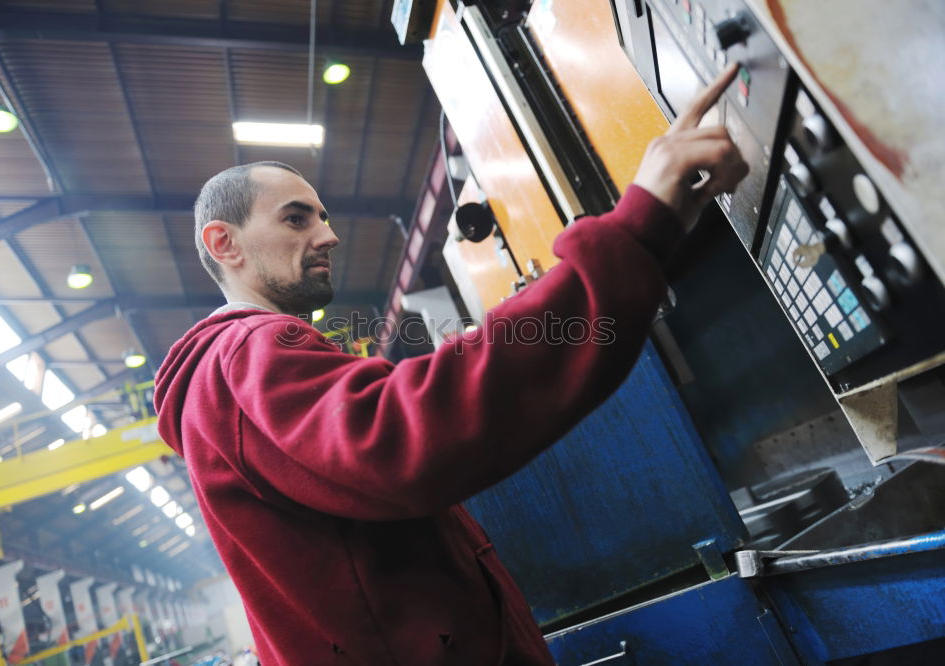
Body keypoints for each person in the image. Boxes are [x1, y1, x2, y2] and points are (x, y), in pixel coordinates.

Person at [154, 65, 748, 665]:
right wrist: (636, 229)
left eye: (323, 216)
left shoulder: (223, 384)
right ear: (223, 244)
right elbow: (408, 434)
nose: (329, 235)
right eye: (296, 218)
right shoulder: (249, 351)